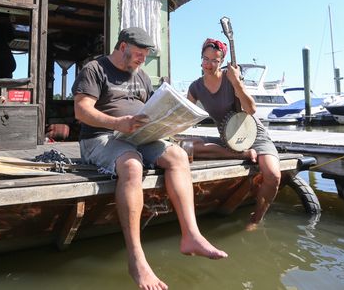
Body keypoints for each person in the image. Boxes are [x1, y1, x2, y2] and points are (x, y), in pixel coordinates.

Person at [72, 27, 227, 290]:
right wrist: (117, 122)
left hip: (138, 135)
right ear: (122, 47)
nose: (143, 59)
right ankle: (136, 259)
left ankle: (191, 235)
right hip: (100, 138)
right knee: (132, 164)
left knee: (178, 155)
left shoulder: (142, 76)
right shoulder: (94, 69)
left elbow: (149, 110)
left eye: (146, 55)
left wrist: (168, 124)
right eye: (139, 54)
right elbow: (81, 111)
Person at [187, 38, 281, 229]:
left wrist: (236, 82)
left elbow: (251, 109)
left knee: (273, 175)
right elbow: (186, 113)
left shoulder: (231, 78)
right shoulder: (195, 87)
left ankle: (256, 218)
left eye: (214, 60)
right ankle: (241, 155)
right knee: (187, 146)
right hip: (228, 139)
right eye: (205, 59)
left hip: (254, 134)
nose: (208, 64)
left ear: (222, 62)